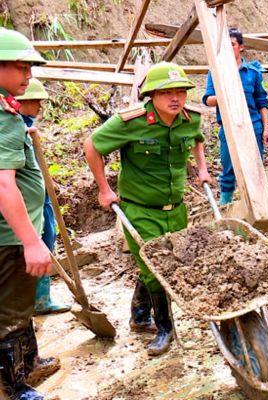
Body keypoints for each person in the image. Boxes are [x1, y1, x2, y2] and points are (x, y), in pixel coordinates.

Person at [84, 62, 211, 356]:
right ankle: (165, 327)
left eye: (180, 91)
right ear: (151, 95)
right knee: (158, 267)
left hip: (176, 209)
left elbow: (198, 141)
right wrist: (104, 188)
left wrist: (202, 170)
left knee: (167, 261)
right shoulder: (130, 122)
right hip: (140, 210)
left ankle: (139, 317)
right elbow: (92, 145)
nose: (175, 98)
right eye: (167, 92)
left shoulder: (189, 119)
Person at [0, 28, 53, 400]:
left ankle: (29, 362)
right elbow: (3, 184)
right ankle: (17, 387)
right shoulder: (2, 116)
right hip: (10, 236)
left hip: (11, 232)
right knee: (12, 313)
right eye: (21, 67)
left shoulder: (9, 111)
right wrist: (32, 242)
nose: (28, 76)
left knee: (15, 305)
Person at [16, 78, 71, 316]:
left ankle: (42, 300)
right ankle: (27, 303)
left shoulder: (27, 125)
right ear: (21, 102)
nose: (40, 105)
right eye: (36, 100)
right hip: (24, 206)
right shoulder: (11, 126)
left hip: (42, 202)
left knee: (48, 241)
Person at [202, 28, 268, 205]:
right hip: (229, 127)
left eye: (232, 44)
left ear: (241, 47)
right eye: (225, 45)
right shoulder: (216, 72)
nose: (228, 48)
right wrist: (224, 95)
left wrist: (266, 129)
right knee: (228, 168)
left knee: (255, 168)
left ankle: (257, 204)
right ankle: (226, 203)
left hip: (254, 126)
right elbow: (208, 99)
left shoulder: (253, 73)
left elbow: (262, 102)